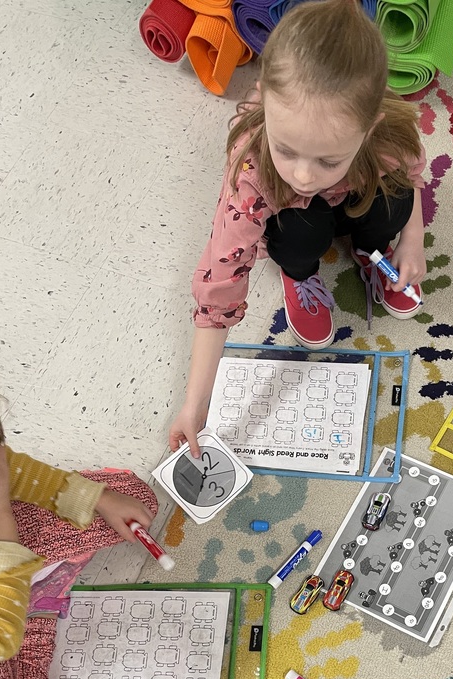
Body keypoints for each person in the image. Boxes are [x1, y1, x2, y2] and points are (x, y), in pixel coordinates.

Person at [169, 0, 427, 457]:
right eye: (286, 149)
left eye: (328, 159)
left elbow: (411, 175)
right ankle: (300, 273)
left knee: (395, 201)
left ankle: (372, 252)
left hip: (359, 187)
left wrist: (412, 241)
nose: (304, 176)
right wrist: (195, 404)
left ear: (370, 129)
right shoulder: (252, 169)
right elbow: (220, 282)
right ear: (264, 98)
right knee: (300, 231)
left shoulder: (387, 139)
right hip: (296, 220)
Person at [0, 366, 158, 679]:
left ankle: (25, 585)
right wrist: (0, 513)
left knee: (135, 499)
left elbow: (11, 469)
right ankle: (32, 616)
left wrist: (98, 498)